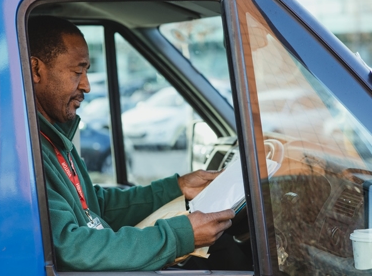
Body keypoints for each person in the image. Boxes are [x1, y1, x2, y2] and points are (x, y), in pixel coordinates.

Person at [28, 16, 235, 271]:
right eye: (77, 72)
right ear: (36, 70)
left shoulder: (55, 141)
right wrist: (180, 235)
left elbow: (96, 206)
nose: (87, 85)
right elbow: (72, 246)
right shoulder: (28, 154)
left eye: (87, 72)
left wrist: (177, 188)